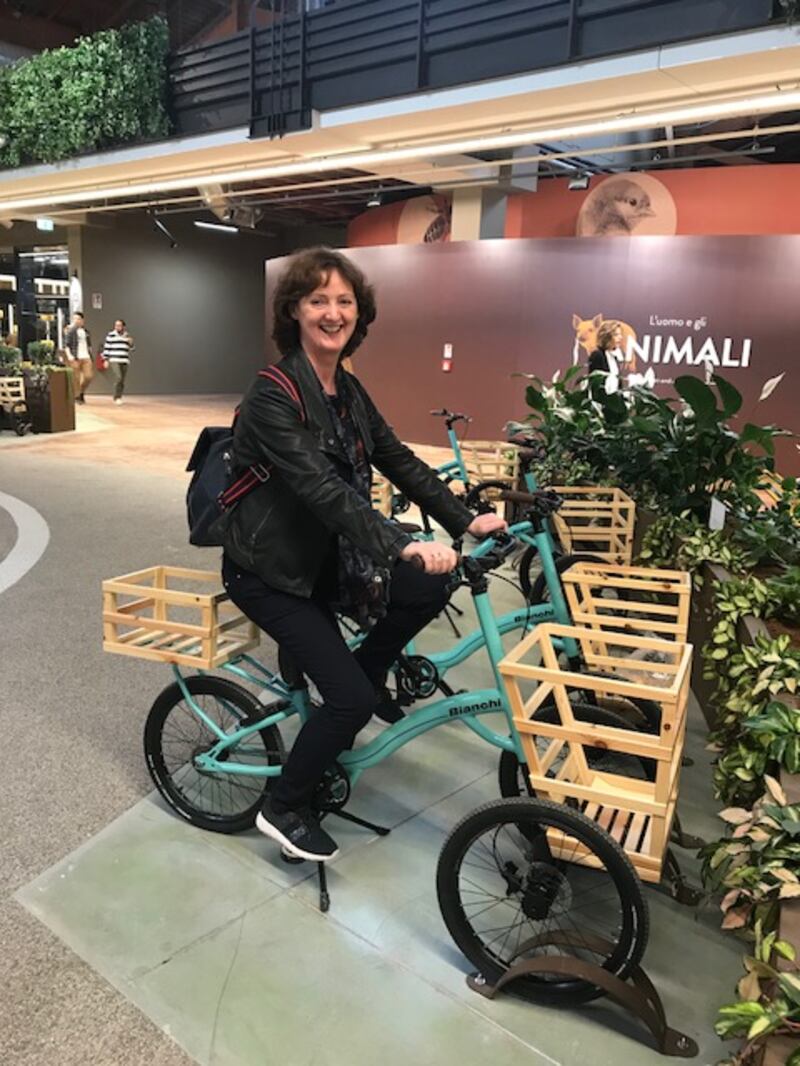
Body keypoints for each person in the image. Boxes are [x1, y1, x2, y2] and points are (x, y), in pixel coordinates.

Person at [221, 247, 506, 863]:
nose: (332, 312)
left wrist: (466, 518)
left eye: (344, 301)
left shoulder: (346, 389)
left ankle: (363, 672)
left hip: (328, 564)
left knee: (430, 589)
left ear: (359, 313)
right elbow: (323, 492)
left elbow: (397, 458)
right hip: (271, 572)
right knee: (347, 700)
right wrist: (403, 543)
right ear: (295, 311)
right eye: (318, 300)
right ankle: (285, 807)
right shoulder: (274, 394)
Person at [101, 318, 135, 404]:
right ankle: (116, 397)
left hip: (124, 360)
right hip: (114, 359)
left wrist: (131, 343)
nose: (117, 327)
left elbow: (132, 349)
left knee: (122, 380)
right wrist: (105, 360)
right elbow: (107, 348)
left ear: (123, 327)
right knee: (118, 377)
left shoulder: (127, 336)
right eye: (116, 325)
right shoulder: (111, 335)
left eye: (119, 325)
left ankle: (119, 396)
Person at [63, 311, 93, 404]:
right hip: (75, 357)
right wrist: (70, 356)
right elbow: (66, 345)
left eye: (78, 319)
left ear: (82, 320)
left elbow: (89, 344)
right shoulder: (71, 331)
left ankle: (80, 392)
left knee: (88, 376)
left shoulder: (86, 332)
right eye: (75, 319)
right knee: (76, 378)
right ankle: (77, 396)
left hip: (86, 356)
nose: (76, 321)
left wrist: (90, 354)